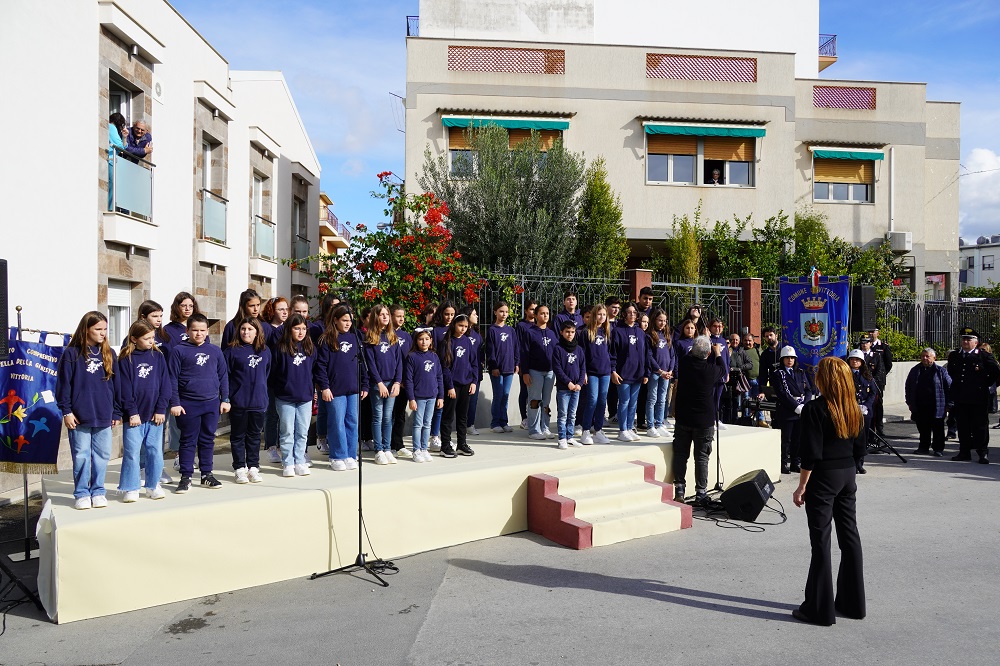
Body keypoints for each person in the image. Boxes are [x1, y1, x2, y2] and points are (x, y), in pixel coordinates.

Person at [791, 357, 866, 627]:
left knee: (821, 541)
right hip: (847, 474)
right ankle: (852, 603)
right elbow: (861, 449)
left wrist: (802, 485)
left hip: (823, 477)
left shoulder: (814, 409)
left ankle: (819, 609)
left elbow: (810, 454)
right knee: (849, 535)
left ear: (824, 379)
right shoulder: (854, 409)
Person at [57, 311, 122, 509]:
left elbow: (116, 386)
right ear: (86, 329)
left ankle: (98, 491)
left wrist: (116, 411)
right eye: (98, 329)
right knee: (81, 456)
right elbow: (64, 385)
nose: (103, 333)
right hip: (79, 416)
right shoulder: (71, 354)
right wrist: (67, 411)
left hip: (104, 414)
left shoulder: (109, 353)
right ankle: (82, 493)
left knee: (102, 456)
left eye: (105, 329)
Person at [168, 313, 230, 493]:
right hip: (188, 404)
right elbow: (172, 378)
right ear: (187, 330)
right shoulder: (179, 351)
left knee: (208, 440)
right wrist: (175, 403)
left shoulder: (215, 351)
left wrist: (225, 399)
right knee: (188, 440)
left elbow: (223, 376)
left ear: (207, 331)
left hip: (211, 403)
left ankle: (206, 475)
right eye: (194, 330)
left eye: (202, 330)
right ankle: (186, 477)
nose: (198, 334)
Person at [117, 320, 171, 502]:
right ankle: (131, 487)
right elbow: (124, 389)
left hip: (155, 415)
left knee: (155, 451)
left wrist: (161, 409)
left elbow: (165, 385)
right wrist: (132, 412)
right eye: (147, 338)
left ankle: (153, 485)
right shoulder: (126, 359)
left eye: (152, 338)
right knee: (132, 453)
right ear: (134, 338)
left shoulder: (158, 357)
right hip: (134, 417)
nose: (151, 341)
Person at [671, 336, 726, 505]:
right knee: (702, 457)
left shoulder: (685, 363)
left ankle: (679, 489)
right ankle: (701, 493)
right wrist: (717, 353)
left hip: (684, 417)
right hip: (704, 420)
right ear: (708, 353)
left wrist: (705, 344)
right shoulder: (710, 370)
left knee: (681, 454)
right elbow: (723, 369)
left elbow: (691, 354)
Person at [315, 305, 368, 471]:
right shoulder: (327, 339)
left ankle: (351, 454)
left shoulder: (355, 337)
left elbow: (362, 363)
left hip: (353, 388)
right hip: (335, 389)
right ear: (335, 320)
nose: (348, 323)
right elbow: (321, 366)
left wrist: (365, 384)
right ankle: (338, 455)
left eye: (350, 320)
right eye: (344, 320)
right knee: (337, 422)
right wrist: (324, 387)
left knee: (352, 421)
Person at [225, 317, 271, 482]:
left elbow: (266, 373)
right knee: (238, 436)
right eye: (243, 329)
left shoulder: (265, 351)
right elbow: (225, 376)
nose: (246, 332)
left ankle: (253, 467)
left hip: (258, 401)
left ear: (257, 332)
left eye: (250, 329)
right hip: (239, 402)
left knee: (255, 436)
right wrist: (227, 398)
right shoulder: (231, 351)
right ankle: (239, 468)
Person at [267, 314, 314, 476]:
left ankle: (299, 460)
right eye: (296, 328)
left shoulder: (310, 348)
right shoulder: (280, 348)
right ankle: (288, 462)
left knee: (302, 431)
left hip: (305, 397)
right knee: (287, 431)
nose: (300, 332)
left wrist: (313, 390)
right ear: (289, 329)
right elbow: (272, 373)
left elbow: (314, 371)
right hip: (285, 397)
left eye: (303, 328)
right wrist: (280, 388)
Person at [947, 326, 1000, 464]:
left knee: (980, 426)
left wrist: (985, 384)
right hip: (961, 397)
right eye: (964, 339)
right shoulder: (955, 355)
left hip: (978, 397)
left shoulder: (983, 355)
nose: (965, 342)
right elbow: (952, 372)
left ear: (976, 342)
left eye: (969, 339)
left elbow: (996, 372)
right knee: (963, 425)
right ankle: (964, 452)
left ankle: (983, 453)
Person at [364, 304, 402, 465]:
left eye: (387, 314)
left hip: (392, 383)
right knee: (377, 417)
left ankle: (387, 448)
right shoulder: (370, 339)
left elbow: (399, 362)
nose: (385, 317)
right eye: (382, 314)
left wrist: (397, 382)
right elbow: (370, 364)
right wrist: (379, 383)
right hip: (377, 384)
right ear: (375, 317)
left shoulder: (393, 337)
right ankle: (378, 450)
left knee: (388, 417)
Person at [439, 314, 478, 457]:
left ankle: (462, 444)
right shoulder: (447, 342)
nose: (463, 329)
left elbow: (474, 363)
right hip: (452, 385)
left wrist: (474, 382)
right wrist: (449, 386)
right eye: (460, 325)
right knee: (448, 416)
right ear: (454, 325)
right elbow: (445, 367)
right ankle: (445, 445)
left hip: (466, 384)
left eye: (465, 326)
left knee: (463, 416)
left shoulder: (467, 341)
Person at [404, 330, 443, 463]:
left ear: (431, 341)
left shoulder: (434, 356)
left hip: (432, 396)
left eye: (427, 339)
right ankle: (416, 450)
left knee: (427, 423)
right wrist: (411, 398)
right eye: (421, 339)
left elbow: (439, 377)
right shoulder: (412, 357)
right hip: (418, 396)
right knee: (418, 424)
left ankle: (424, 448)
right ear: (416, 341)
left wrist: (440, 396)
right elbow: (408, 380)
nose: (424, 342)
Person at [610, 303, 647, 441]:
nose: (632, 314)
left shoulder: (641, 332)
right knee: (624, 401)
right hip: (623, 373)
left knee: (633, 402)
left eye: (634, 312)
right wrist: (613, 370)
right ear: (624, 314)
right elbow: (612, 353)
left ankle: (630, 427)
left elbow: (645, 354)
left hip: (638, 373)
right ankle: (622, 430)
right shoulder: (617, 331)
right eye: (629, 312)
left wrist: (646, 372)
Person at [773, 346, 813, 474]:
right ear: (782, 359)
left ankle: (795, 463)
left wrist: (804, 405)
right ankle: (783, 463)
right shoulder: (778, 374)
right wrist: (795, 407)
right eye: (787, 358)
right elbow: (782, 393)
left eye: (792, 358)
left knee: (798, 439)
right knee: (786, 440)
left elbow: (808, 390)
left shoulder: (800, 372)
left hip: (801, 410)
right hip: (787, 411)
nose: (790, 360)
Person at [904, 348, 951, 456]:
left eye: (927, 356)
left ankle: (938, 448)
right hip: (920, 405)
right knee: (923, 428)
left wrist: (949, 404)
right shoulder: (915, 370)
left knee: (938, 428)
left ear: (934, 358)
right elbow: (908, 386)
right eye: (923, 356)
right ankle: (923, 447)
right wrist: (909, 402)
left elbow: (949, 387)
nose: (924, 358)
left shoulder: (941, 371)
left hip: (937, 405)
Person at [522, 304, 559, 441]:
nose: (545, 315)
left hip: (550, 372)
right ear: (536, 315)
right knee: (534, 400)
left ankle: (545, 427)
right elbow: (524, 353)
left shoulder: (552, 333)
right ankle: (534, 430)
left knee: (546, 401)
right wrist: (525, 372)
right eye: (542, 313)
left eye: (547, 313)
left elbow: (556, 353)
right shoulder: (529, 332)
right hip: (534, 371)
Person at [579, 303, 613, 445]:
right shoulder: (586, 332)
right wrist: (584, 372)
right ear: (594, 315)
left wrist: (612, 369)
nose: (601, 317)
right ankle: (586, 430)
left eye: (604, 314)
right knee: (592, 400)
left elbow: (611, 352)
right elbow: (581, 354)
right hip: (591, 372)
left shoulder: (607, 332)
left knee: (602, 401)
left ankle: (598, 430)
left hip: (605, 372)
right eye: (599, 314)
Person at [484, 301, 519, 433]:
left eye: (506, 312)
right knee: (498, 395)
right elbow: (490, 350)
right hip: (497, 369)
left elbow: (516, 347)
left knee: (505, 395)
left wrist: (516, 363)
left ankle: (504, 422)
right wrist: (493, 366)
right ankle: (495, 423)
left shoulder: (511, 330)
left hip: (509, 368)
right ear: (495, 312)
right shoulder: (492, 330)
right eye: (501, 311)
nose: (504, 314)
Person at [552, 320, 586, 449]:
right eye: (567, 332)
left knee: (572, 415)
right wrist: (568, 383)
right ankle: (562, 438)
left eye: (572, 332)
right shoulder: (558, 349)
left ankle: (570, 437)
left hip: (576, 388)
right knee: (563, 415)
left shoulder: (579, 350)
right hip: (563, 389)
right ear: (561, 332)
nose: (570, 334)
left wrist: (580, 383)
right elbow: (557, 368)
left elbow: (583, 367)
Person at [428, 300, 457, 450]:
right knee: (438, 407)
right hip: (439, 373)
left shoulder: (457, 329)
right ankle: (434, 436)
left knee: (449, 410)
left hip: (453, 375)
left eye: (452, 314)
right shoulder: (436, 330)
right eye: (446, 314)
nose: (449, 317)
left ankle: (445, 437)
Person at [388, 304, 415, 458]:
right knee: (388, 416)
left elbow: (409, 359)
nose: (401, 319)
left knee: (400, 414)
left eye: (403, 316)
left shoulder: (406, 336)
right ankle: (388, 445)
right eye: (398, 316)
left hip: (404, 382)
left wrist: (406, 379)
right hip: (389, 382)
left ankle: (398, 444)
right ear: (391, 316)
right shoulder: (385, 335)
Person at [846, 349, 877, 473]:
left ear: (862, 362)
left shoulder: (867, 375)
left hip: (864, 411)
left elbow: (873, 392)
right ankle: (851, 464)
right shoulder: (845, 375)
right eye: (853, 359)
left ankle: (860, 463)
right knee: (851, 438)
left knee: (863, 439)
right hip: (850, 410)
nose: (855, 361)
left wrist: (866, 406)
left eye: (857, 360)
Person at [645, 309, 674, 437]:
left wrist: (670, 370)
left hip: (666, 373)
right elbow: (649, 356)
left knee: (662, 399)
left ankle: (659, 423)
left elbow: (672, 355)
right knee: (652, 399)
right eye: (660, 320)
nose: (662, 323)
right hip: (655, 373)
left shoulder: (667, 335)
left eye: (664, 321)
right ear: (654, 320)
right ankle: (650, 425)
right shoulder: (649, 336)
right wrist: (659, 370)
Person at [460, 304, 484, 436]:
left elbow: (480, 351)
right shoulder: (460, 333)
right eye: (474, 314)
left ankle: (470, 424)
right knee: (462, 402)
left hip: (475, 372)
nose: (477, 316)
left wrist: (481, 363)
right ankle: (461, 426)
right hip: (463, 373)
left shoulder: (477, 333)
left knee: (473, 401)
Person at [515, 299, 538, 430]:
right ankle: (524, 418)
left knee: (535, 393)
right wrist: (518, 363)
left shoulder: (539, 325)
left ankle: (534, 417)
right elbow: (518, 345)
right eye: (531, 309)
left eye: (536, 309)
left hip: (536, 364)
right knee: (524, 391)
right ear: (526, 311)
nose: (534, 312)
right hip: (525, 363)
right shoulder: (521, 326)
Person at [865, 329, 891, 437]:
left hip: (877, 382)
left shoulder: (883, 346)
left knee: (877, 404)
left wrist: (880, 376)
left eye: (873, 331)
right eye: (869, 332)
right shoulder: (863, 345)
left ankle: (879, 428)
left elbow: (888, 364)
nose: (871, 333)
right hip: (864, 381)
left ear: (878, 333)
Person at [726, 333, 753, 424]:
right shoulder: (726, 349)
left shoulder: (742, 351)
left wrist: (739, 368)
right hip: (727, 379)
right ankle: (727, 419)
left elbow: (750, 364)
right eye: (732, 339)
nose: (735, 341)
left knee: (737, 401)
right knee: (727, 401)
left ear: (739, 341)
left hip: (738, 380)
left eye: (736, 340)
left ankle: (737, 419)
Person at [743, 333, 767, 426]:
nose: (747, 342)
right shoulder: (741, 351)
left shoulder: (758, 350)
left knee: (759, 400)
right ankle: (746, 420)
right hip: (745, 381)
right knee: (746, 401)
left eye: (749, 340)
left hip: (758, 380)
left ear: (753, 341)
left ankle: (760, 420)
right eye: (745, 340)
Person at [107, 113, 128, 210]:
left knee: (113, 184)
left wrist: (124, 137)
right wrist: (123, 140)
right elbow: (120, 146)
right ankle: (110, 208)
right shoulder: (111, 127)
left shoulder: (111, 127)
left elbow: (123, 147)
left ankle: (111, 207)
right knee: (112, 184)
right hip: (110, 160)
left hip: (111, 160)